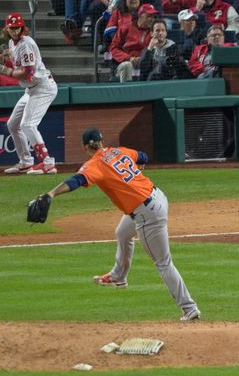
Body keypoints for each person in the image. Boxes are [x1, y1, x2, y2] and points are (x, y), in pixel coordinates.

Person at [41, 127, 200, 322]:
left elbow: (76, 181)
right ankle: (119, 275)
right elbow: (143, 156)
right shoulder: (119, 151)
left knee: (163, 263)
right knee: (123, 233)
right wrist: (134, 176)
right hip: (157, 197)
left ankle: (189, 308)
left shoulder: (95, 164)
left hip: (147, 214)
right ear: (102, 141)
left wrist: (51, 194)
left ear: (85, 147)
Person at [1, 14, 58, 175]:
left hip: (43, 87)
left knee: (28, 124)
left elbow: (28, 72)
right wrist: (5, 61)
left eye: (17, 27)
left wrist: (5, 70)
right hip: (31, 89)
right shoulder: (12, 43)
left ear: (22, 27)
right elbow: (18, 64)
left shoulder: (26, 43)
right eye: (11, 28)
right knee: (13, 124)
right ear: (7, 28)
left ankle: (47, 163)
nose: (14, 30)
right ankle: (26, 161)